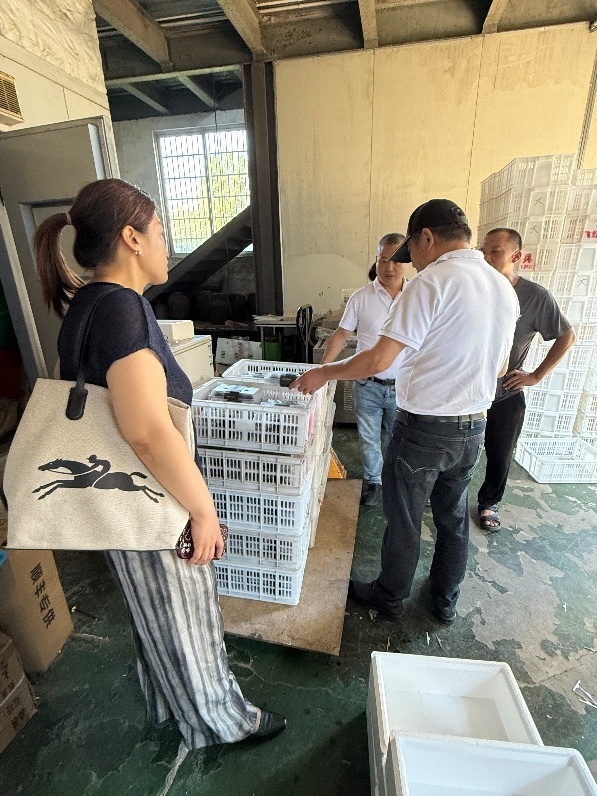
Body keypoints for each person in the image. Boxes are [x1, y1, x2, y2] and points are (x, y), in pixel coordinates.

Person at [34, 178, 286, 750]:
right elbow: (146, 430)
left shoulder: (87, 305)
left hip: (117, 496)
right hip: (150, 497)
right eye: (161, 231)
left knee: (155, 614)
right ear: (132, 237)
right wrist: (203, 511)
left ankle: (169, 705)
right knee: (185, 616)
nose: (166, 244)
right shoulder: (122, 310)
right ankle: (221, 723)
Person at [292, 199, 519, 624]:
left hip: (424, 429)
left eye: (410, 250)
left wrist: (323, 373)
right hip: (473, 427)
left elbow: (378, 359)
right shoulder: (502, 286)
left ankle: (390, 596)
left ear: (426, 238)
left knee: (404, 518)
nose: (408, 262)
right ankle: (445, 599)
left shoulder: (431, 283)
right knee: (453, 518)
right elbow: (502, 367)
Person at [477, 228, 575, 530]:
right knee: (456, 451)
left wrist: (536, 375)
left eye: (495, 251)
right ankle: (445, 494)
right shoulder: (473, 287)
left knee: (500, 453)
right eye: (483, 251)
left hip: (505, 391)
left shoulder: (534, 297)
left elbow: (566, 336)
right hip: (468, 391)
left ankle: (489, 502)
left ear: (516, 256)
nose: (486, 257)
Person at [321, 232, 407, 505]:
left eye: (396, 260)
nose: (389, 267)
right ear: (376, 260)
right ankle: (374, 481)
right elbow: (341, 335)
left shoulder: (417, 296)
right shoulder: (361, 297)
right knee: (369, 437)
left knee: (399, 439)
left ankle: (395, 481)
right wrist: (322, 370)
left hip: (404, 387)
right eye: (383, 260)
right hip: (367, 384)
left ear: (407, 261)